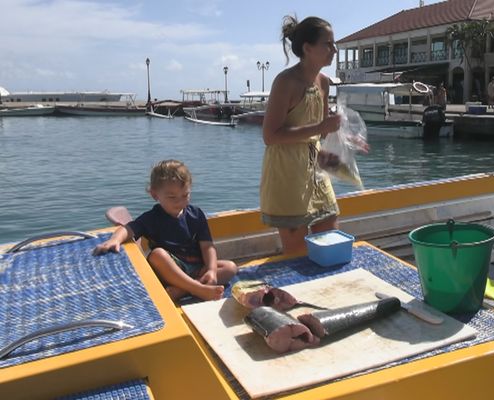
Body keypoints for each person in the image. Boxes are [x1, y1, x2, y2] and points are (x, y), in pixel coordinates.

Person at [93, 159, 238, 301]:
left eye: (185, 195)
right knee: (157, 254)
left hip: (195, 267)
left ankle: (183, 289)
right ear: (155, 195)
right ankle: (197, 288)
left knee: (230, 267)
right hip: (169, 271)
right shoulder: (152, 218)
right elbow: (128, 229)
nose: (180, 201)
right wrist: (115, 239)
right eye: (172, 197)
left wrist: (211, 270)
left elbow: (207, 247)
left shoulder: (196, 215)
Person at [260, 15, 342, 254]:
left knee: (330, 241)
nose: (334, 49)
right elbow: (270, 136)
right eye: (328, 44)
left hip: (314, 170)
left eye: (333, 43)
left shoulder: (324, 83)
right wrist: (320, 128)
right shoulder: (286, 82)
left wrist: (340, 133)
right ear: (307, 48)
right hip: (287, 173)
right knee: (297, 255)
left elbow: (321, 132)